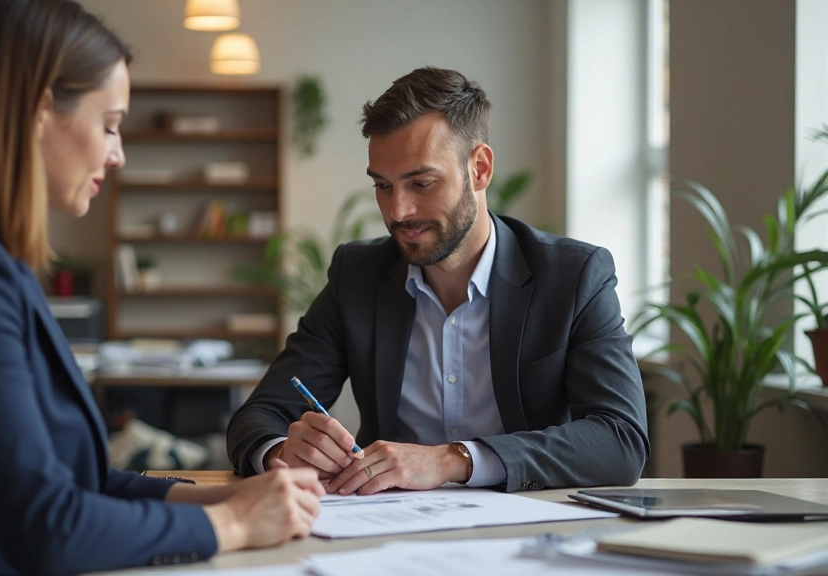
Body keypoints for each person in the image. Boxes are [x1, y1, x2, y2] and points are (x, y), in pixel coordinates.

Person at [0, 1, 321, 574]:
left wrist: (231, 498)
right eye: (110, 125)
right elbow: (48, 525)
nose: (118, 155)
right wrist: (234, 525)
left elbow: (77, 482)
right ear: (41, 108)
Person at [227, 66, 650, 496]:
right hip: (386, 531)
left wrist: (453, 459)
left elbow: (621, 439)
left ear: (480, 168)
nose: (398, 211)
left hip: (527, 531)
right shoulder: (357, 276)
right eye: (383, 186)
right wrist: (282, 452)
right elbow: (258, 415)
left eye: (421, 183)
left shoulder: (574, 277)